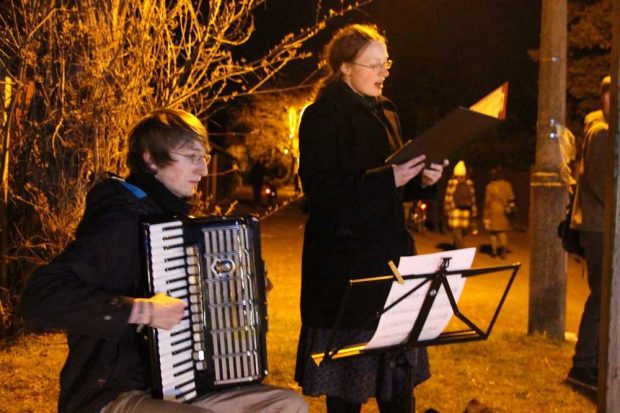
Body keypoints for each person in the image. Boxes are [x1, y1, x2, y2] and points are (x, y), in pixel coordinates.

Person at [20, 109, 307, 413]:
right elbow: (39, 297)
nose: (204, 171)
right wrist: (143, 310)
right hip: (114, 393)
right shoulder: (117, 221)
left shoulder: (177, 224)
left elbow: (197, 308)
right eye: (192, 157)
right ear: (150, 159)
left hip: (185, 386)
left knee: (287, 405)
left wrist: (241, 289)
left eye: (205, 157)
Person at [294, 24, 448, 413]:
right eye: (373, 65)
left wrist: (422, 181)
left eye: (386, 64)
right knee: (347, 394)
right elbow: (322, 191)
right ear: (344, 67)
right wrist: (389, 178)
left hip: (392, 262)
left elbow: (393, 189)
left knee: (399, 389)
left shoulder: (388, 111)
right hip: (345, 270)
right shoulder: (320, 116)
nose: (383, 72)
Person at [566, 75, 611, 393]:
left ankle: (593, 362)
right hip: (600, 226)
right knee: (604, 296)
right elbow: (600, 182)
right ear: (605, 98)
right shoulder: (604, 132)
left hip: (600, 225)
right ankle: (584, 366)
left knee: (606, 296)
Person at [482, 165, 515, 259]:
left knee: (493, 232)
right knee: (502, 231)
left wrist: (485, 215)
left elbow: (487, 201)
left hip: (493, 209)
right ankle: (503, 250)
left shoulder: (489, 186)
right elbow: (511, 198)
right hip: (503, 210)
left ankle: (494, 251)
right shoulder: (507, 185)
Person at [444, 160, 477, 249]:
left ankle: (460, 251)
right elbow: (473, 199)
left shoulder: (452, 182)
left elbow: (448, 197)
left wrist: (447, 209)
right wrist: (473, 212)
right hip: (466, 211)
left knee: (456, 232)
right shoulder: (469, 183)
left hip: (455, 211)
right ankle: (456, 248)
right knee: (462, 233)